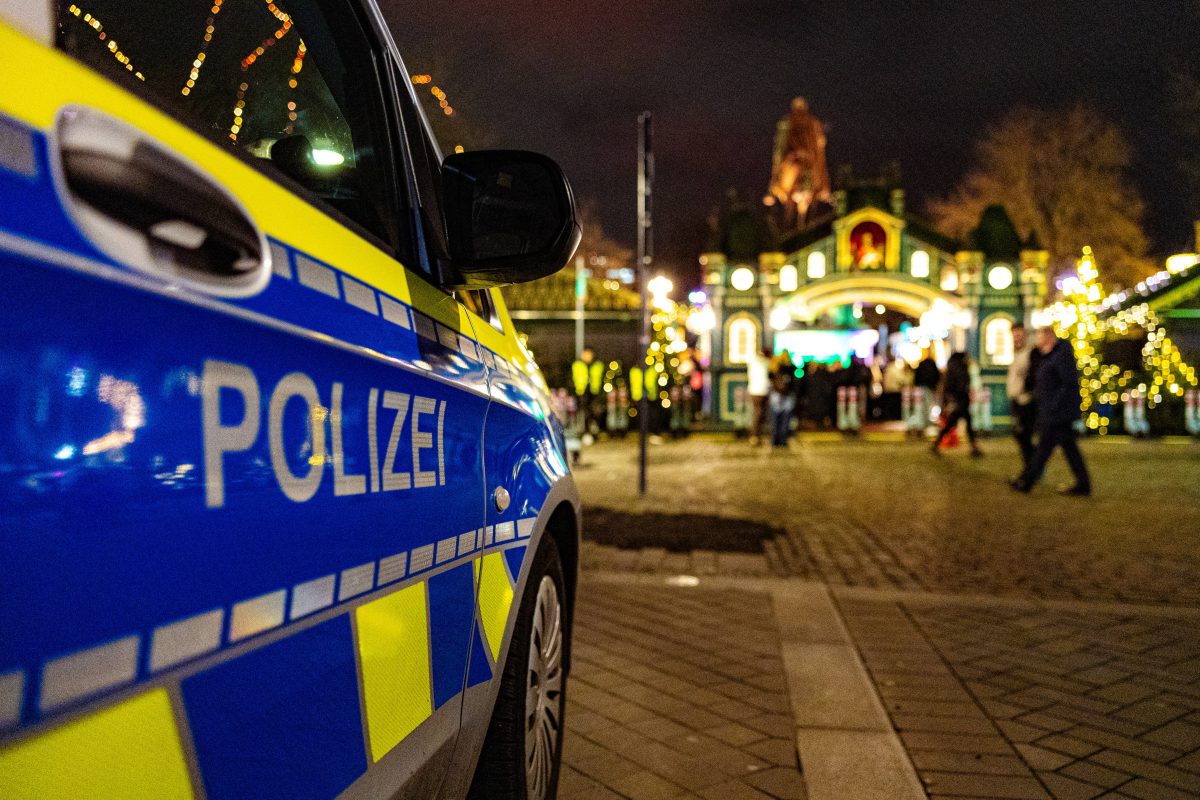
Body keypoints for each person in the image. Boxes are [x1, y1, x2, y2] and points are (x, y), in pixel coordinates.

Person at [1012, 328, 1092, 496]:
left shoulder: (1060, 356)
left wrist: (1054, 405)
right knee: (1069, 449)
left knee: (1043, 449)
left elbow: (1067, 384)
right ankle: (1083, 483)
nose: (1036, 340)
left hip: (1057, 413)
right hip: (1053, 412)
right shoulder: (1048, 357)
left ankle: (1027, 481)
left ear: (1049, 337)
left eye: (1039, 336)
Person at [930, 351, 982, 457]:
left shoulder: (951, 368)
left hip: (958, 400)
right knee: (956, 424)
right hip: (961, 401)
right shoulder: (960, 368)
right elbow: (961, 384)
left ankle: (936, 444)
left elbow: (949, 386)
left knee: (956, 424)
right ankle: (974, 447)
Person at [1006, 324, 1042, 473]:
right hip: (1016, 399)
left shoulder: (1031, 352)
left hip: (1026, 400)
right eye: (1014, 336)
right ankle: (1032, 467)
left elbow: (1034, 374)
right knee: (1020, 435)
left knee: (1024, 435)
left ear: (1025, 335)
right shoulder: (1017, 353)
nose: (1017, 338)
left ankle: (1033, 468)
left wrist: (1026, 390)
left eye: (1019, 335)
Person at [768, 351, 797, 447]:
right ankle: (783, 439)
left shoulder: (774, 367)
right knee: (786, 418)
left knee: (776, 418)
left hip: (776, 394)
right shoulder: (790, 368)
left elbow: (769, 378)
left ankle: (775, 439)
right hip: (787, 395)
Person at [746, 347, 772, 445]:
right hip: (761, 391)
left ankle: (755, 435)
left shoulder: (753, 361)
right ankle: (754, 435)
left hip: (754, 390)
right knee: (758, 413)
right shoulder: (764, 362)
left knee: (758, 413)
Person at [913, 352, 940, 432]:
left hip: (921, 387)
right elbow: (936, 375)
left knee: (920, 406)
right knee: (927, 405)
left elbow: (917, 375)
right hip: (929, 387)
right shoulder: (932, 364)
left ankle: (921, 423)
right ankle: (926, 423)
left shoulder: (922, 364)